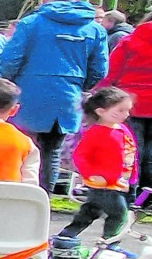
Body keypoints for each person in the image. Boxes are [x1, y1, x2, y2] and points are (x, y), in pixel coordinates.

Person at [0, 0, 109, 191]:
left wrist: (11, 83)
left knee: (21, 147)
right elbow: (100, 69)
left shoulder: (30, 24)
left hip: (28, 92)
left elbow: (10, 61)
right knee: (52, 150)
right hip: (68, 94)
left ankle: (18, 192)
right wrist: (79, 84)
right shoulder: (94, 29)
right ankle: (45, 199)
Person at [57, 87, 136, 242]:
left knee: (89, 212)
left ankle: (65, 236)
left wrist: (132, 176)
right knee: (119, 214)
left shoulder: (121, 128)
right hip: (104, 184)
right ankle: (110, 242)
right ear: (100, 111)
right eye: (120, 111)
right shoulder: (96, 132)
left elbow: (129, 152)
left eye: (127, 110)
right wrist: (90, 174)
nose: (126, 115)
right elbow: (80, 156)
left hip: (118, 182)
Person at [97, 19, 152, 191]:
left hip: (130, 101)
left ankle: (129, 190)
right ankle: (148, 193)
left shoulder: (130, 41)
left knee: (131, 148)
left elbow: (112, 71)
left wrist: (101, 94)